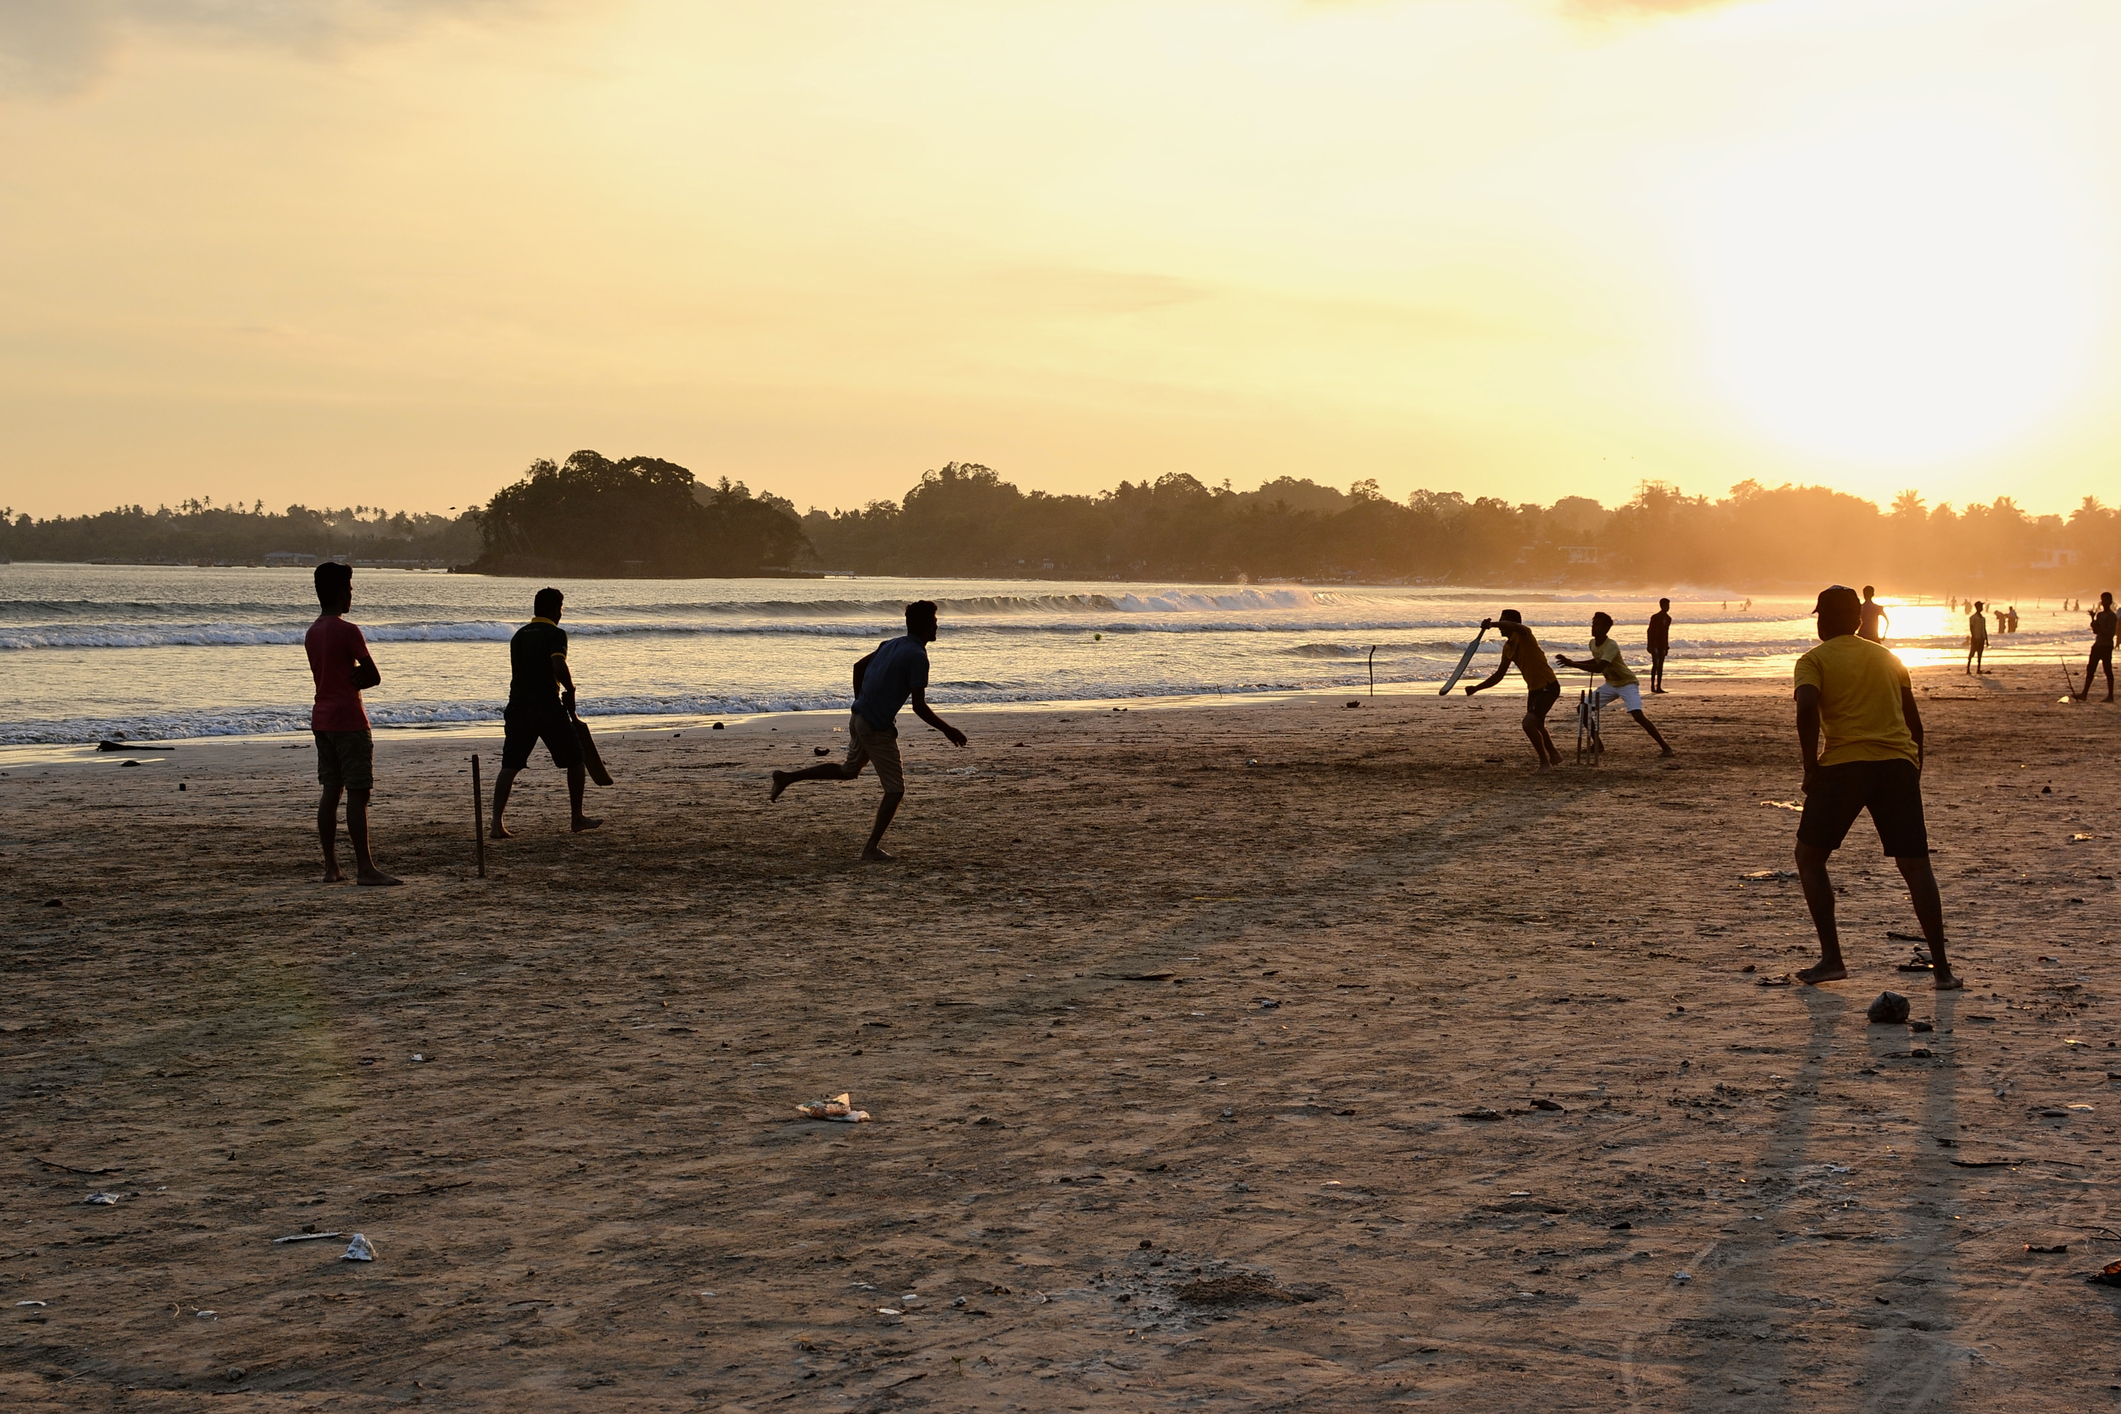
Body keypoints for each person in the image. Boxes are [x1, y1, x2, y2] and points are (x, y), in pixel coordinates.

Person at [1791, 584, 1961, 991]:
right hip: (1896, 765)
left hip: (1843, 767)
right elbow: (1915, 724)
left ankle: (1832, 959)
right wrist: (1910, 769)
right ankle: (1942, 970)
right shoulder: (1889, 658)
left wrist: (1810, 765)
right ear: (1857, 620)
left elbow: (1806, 705)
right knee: (1916, 866)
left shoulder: (1812, 660)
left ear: (1824, 621)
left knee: (1810, 858)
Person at [770, 600, 968, 859]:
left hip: (859, 717)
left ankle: (787, 777)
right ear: (926, 626)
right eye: (934, 621)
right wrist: (948, 729)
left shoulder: (891, 644)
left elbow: (858, 667)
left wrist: (861, 701)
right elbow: (919, 706)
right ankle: (871, 848)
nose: (937, 626)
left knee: (848, 770)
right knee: (895, 789)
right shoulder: (917, 656)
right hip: (874, 727)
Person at [305, 562, 399, 885]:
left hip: (322, 718)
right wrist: (362, 681)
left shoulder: (312, 632)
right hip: (349, 719)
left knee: (331, 791)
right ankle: (365, 868)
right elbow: (373, 674)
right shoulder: (348, 630)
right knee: (359, 793)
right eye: (349, 589)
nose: (352, 595)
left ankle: (331, 866)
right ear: (340, 593)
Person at [491, 587, 601, 837]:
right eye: (561, 609)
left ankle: (496, 824)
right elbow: (558, 664)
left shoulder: (518, 636)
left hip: (517, 706)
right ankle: (577, 817)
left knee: (510, 764)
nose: (561, 613)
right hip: (546, 707)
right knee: (575, 758)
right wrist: (570, 689)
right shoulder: (555, 633)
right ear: (554, 609)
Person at [1555, 612, 1675, 757]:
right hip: (1611, 684)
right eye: (1593, 624)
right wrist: (1571, 662)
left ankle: (1666, 747)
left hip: (1627, 683)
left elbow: (1599, 668)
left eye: (1597, 624)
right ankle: (1597, 744)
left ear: (1606, 628)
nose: (1593, 627)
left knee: (1637, 715)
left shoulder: (1611, 645)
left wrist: (1573, 664)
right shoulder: (1592, 643)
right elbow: (1596, 661)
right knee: (1583, 708)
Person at [1463, 609, 1563, 770]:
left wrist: (1492, 624)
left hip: (1548, 685)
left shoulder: (1525, 634)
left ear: (1513, 624)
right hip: (1534, 689)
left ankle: (1544, 762)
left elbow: (1512, 625)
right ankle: (1554, 755)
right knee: (1537, 725)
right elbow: (1499, 675)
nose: (1500, 627)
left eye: (1502, 623)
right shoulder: (1508, 647)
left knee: (1528, 724)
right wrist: (1476, 688)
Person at [2082, 591, 2118, 703]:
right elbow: (2096, 631)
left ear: (2110, 602)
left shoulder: (2113, 616)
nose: (2104, 602)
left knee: (2107, 669)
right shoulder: (2100, 615)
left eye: (2106, 600)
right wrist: (2093, 620)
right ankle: (2084, 693)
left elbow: (2110, 632)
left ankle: (2110, 696)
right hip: (2098, 644)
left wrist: (2098, 628)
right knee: (2091, 668)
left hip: (2106, 645)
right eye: (2103, 600)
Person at [1646, 598, 1673, 694]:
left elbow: (1666, 633)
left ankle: (1659, 686)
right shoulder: (1655, 617)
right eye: (1666, 605)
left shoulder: (1668, 618)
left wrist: (1666, 645)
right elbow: (1649, 631)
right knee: (1655, 664)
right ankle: (1653, 685)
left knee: (1661, 665)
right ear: (1661, 606)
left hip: (1662, 644)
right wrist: (1649, 644)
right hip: (1654, 643)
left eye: (1668, 606)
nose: (1667, 607)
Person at [1966, 600, 1988, 675]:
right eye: (1980, 606)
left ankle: (1978, 669)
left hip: (1981, 638)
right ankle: (1968, 669)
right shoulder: (1973, 618)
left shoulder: (1983, 618)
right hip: (1976, 638)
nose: (1982, 608)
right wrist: (1974, 637)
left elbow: (1984, 629)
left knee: (1980, 654)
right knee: (1972, 653)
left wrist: (1986, 639)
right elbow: (1971, 628)